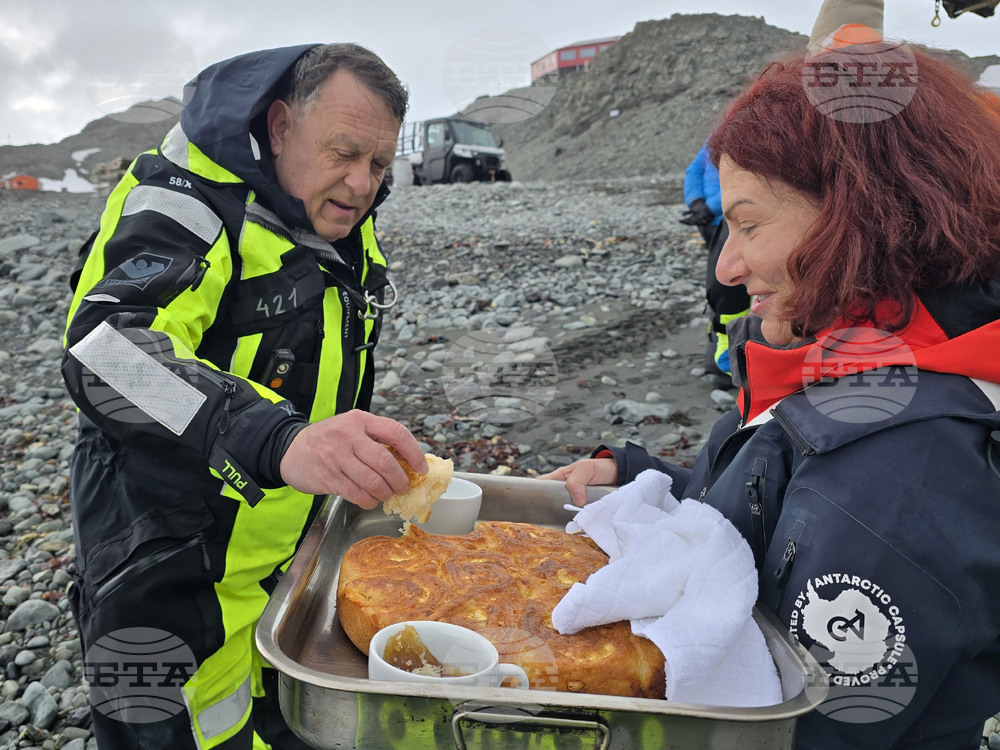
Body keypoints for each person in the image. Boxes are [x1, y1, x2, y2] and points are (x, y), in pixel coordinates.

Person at [543, 42, 1000, 749]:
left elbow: (814, 731)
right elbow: (781, 515)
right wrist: (640, 474)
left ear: (862, 216)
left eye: (750, 225)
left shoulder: (905, 467)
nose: (727, 266)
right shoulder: (856, 364)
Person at [61, 44, 426, 749]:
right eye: (345, 153)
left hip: (281, 573)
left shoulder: (332, 220)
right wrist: (280, 440)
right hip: (164, 574)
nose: (361, 185)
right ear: (281, 125)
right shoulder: (183, 206)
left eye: (379, 165)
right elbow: (105, 353)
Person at [681, 142, 751, 378]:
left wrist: (702, 206)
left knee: (726, 287)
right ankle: (726, 366)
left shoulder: (724, 134)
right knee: (729, 287)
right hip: (721, 221)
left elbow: (749, 177)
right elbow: (695, 169)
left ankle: (724, 364)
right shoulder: (728, 133)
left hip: (720, 219)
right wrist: (699, 205)